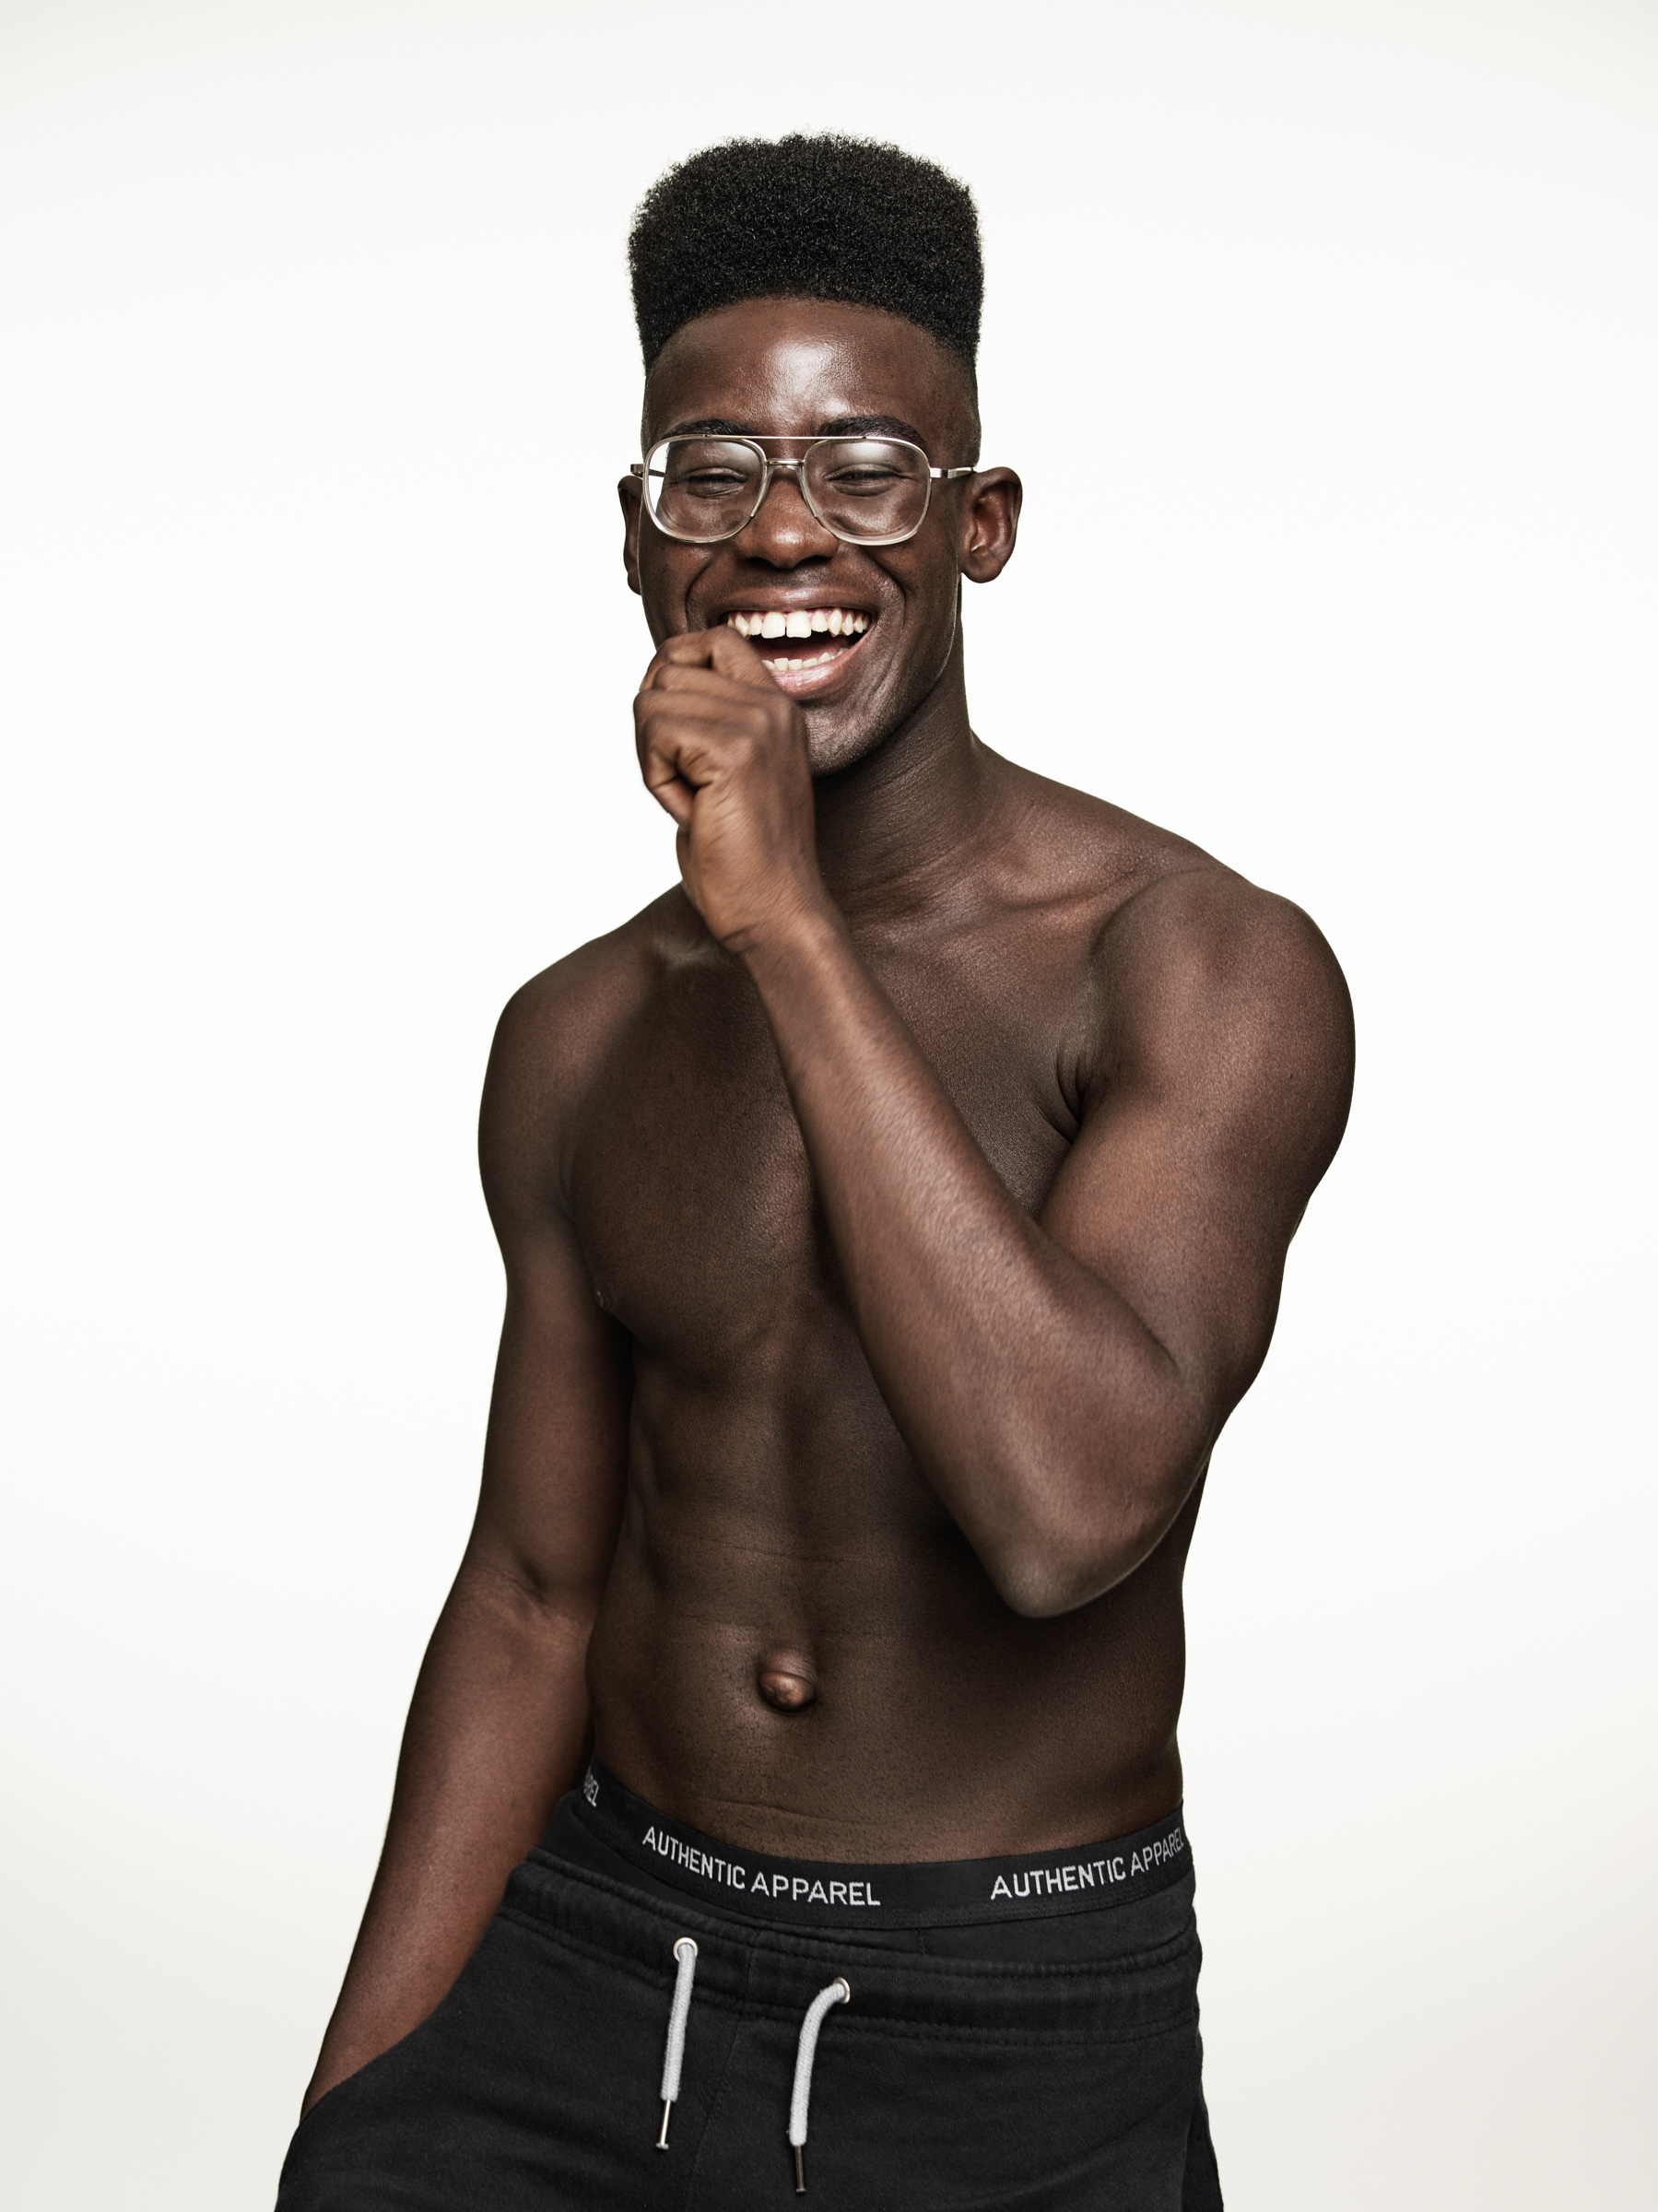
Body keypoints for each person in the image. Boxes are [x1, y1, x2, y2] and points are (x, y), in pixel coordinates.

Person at [276, 134, 1353, 2211]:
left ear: (980, 525)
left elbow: (1068, 1511)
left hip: (1006, 2034)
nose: (786, 536)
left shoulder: (1197, 964)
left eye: (865, 471)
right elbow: (531, 1596)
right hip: (589, 1975)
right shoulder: (578, 1034)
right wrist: (358, 2114)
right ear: (636, 540)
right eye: (714, 473)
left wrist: (783, 920)